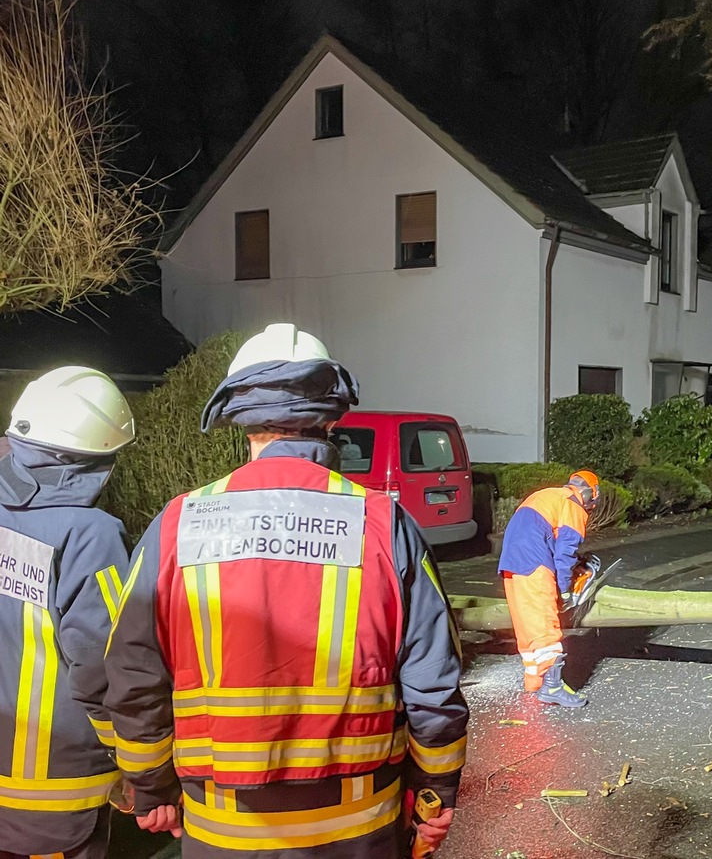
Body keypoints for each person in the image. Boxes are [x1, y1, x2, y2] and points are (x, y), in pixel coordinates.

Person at [104, 324, 468, 856]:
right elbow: (433, 680)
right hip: (359, 825)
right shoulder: (384, 523)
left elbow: (132, 672)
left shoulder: (178, 522)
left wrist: (153, 784)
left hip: (222, 827)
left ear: (238, 417)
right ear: (330, 415)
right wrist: (436, 789)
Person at [0, 367, 135, 859]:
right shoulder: (90, 534)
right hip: (52, 790)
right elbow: (105, 666)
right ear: (98, 460)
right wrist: (138, 762)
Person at [497, 471, 601, 708]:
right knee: (544, 624)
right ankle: (552, 686)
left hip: (512, 561)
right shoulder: (573, 504)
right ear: (590, 493)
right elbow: (565, 554)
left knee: (527, 623)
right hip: (534, 560)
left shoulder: (547, 495)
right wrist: (564, 590)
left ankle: (535, 680)